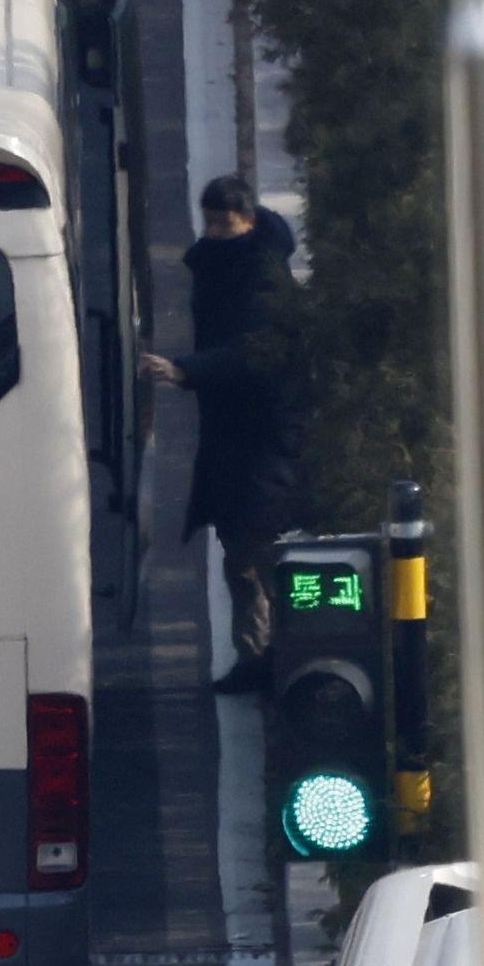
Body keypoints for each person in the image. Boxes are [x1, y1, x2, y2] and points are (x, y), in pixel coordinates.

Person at [140, 174, 306, 693]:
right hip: (234, 435)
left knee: (253, 556)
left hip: (261, 439)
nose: (213, 231)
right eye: (209, 221)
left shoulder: (260, 273)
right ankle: (259, 658)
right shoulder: (222, 262)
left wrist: (186, 370)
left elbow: (253, 352)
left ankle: (278, 658)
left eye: (224, 222)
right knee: (241, 555)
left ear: (249, 220)